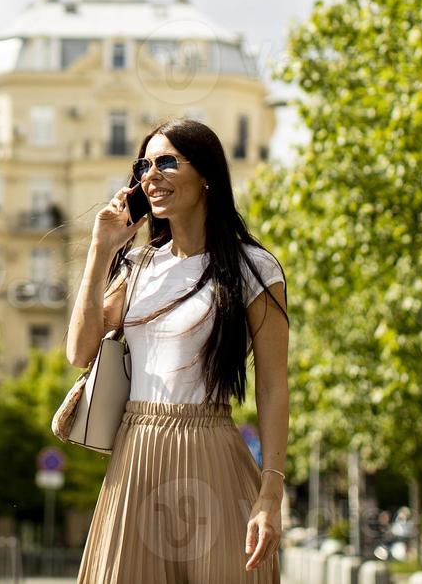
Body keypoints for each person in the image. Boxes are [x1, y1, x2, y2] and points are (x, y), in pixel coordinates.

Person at [67, 118, 290, 582]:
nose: (151, 176)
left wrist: (271, 492)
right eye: (144, 165)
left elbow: (272, 385)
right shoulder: (138, 266)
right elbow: (80, 351)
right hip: (135, 454)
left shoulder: (255, 267)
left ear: (206, 173)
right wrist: (100, 249)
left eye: (167, 161)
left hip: (213, 450)